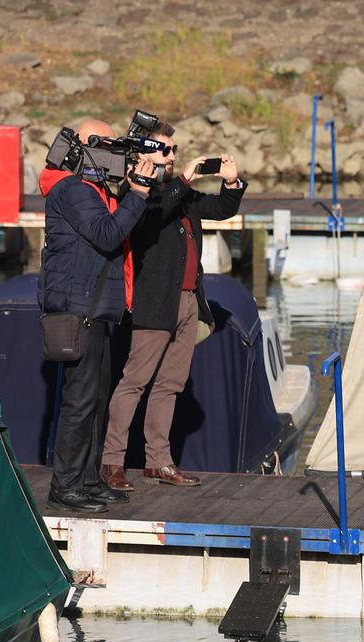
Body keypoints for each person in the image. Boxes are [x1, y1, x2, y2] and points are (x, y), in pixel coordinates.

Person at [100, 125, 247, 492]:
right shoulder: (135, 191)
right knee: (134, 382)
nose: (171, 156)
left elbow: (221, 209)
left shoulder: (180, 193)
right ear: (143, 153)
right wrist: (183, 179)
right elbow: (152, 217)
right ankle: (112, 462)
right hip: (154, 302)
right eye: (164, 150)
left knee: (170, 385)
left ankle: (159, 462)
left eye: (174, 149)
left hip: (188, 300)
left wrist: (231, 182)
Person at [38, 117, 157, 514]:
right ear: (87, 145)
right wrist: (136, 193)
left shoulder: (94, 189)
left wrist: (136, 191)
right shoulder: (73, 189)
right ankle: (65, 487)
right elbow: (107, 235)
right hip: (78, 311)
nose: (117, 153)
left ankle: (88, 480)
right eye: (109, 145)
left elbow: (116, 228)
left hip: (95, 310)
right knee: (79, 403)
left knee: (95, 402)